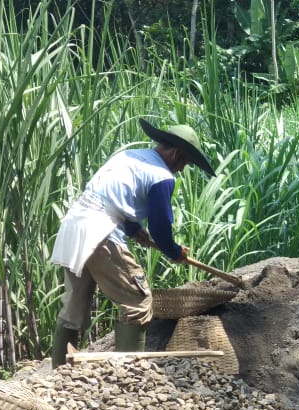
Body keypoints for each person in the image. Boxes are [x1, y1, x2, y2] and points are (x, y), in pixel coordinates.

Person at [48, 119, 217, 366]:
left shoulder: (129, 156)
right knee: (138, 302)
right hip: (100, 231)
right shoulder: (161, 175)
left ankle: (58, 373)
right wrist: (174, 251)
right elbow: (160, 227)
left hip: (75, 225)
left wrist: (133, 228)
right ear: (176, 154)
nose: (181, 170)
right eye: (185, 163)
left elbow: (111, 196)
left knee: (74, 305)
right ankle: (128, 378)